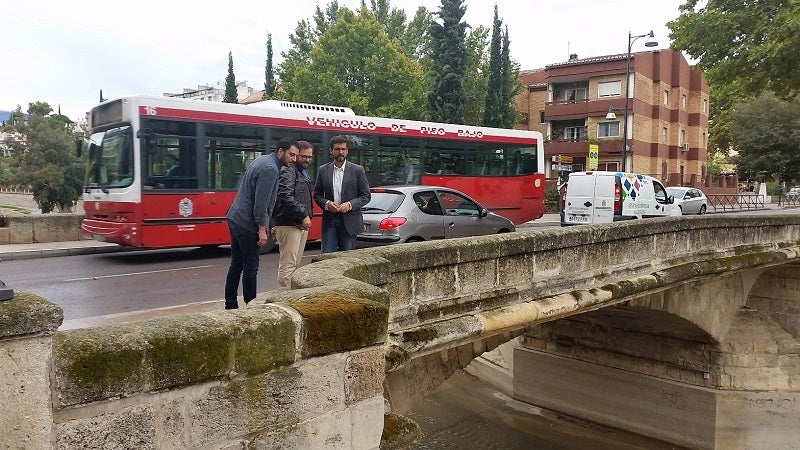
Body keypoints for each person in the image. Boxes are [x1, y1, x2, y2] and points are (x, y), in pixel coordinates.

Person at [224, 137, 298, 309]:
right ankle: (252, 307)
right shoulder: (270, 169)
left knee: (236, 264)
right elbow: (261, 203)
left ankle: (230, 304)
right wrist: (262, 229)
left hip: (235, 217)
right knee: (251, 266)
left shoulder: (263, 160)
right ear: (281, 151)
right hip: (246, 223)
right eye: (292, 155)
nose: (294, 159)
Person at [313, 135, 371, 253]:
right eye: (337, 149)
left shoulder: (357, 170)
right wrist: (327, 204)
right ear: (331, 150)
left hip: (349, 220)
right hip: (330, 220)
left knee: (346, 257)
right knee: (327, 257)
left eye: (343, 149)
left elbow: (366, 196)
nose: (341, 152)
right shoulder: (323, 170)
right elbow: (317, 194)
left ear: (347, 151)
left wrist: (349, 205)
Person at [272, 140, 314, 288]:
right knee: (288, 265)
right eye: (303, 156)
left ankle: (290, 295)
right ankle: (285, 298)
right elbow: (285, 196)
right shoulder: (288, 171)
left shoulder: (302, 172)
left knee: (294, 264)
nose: (307, 159)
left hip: (299, 225)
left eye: (310, 157)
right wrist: (304, 215)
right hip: (289, 224)